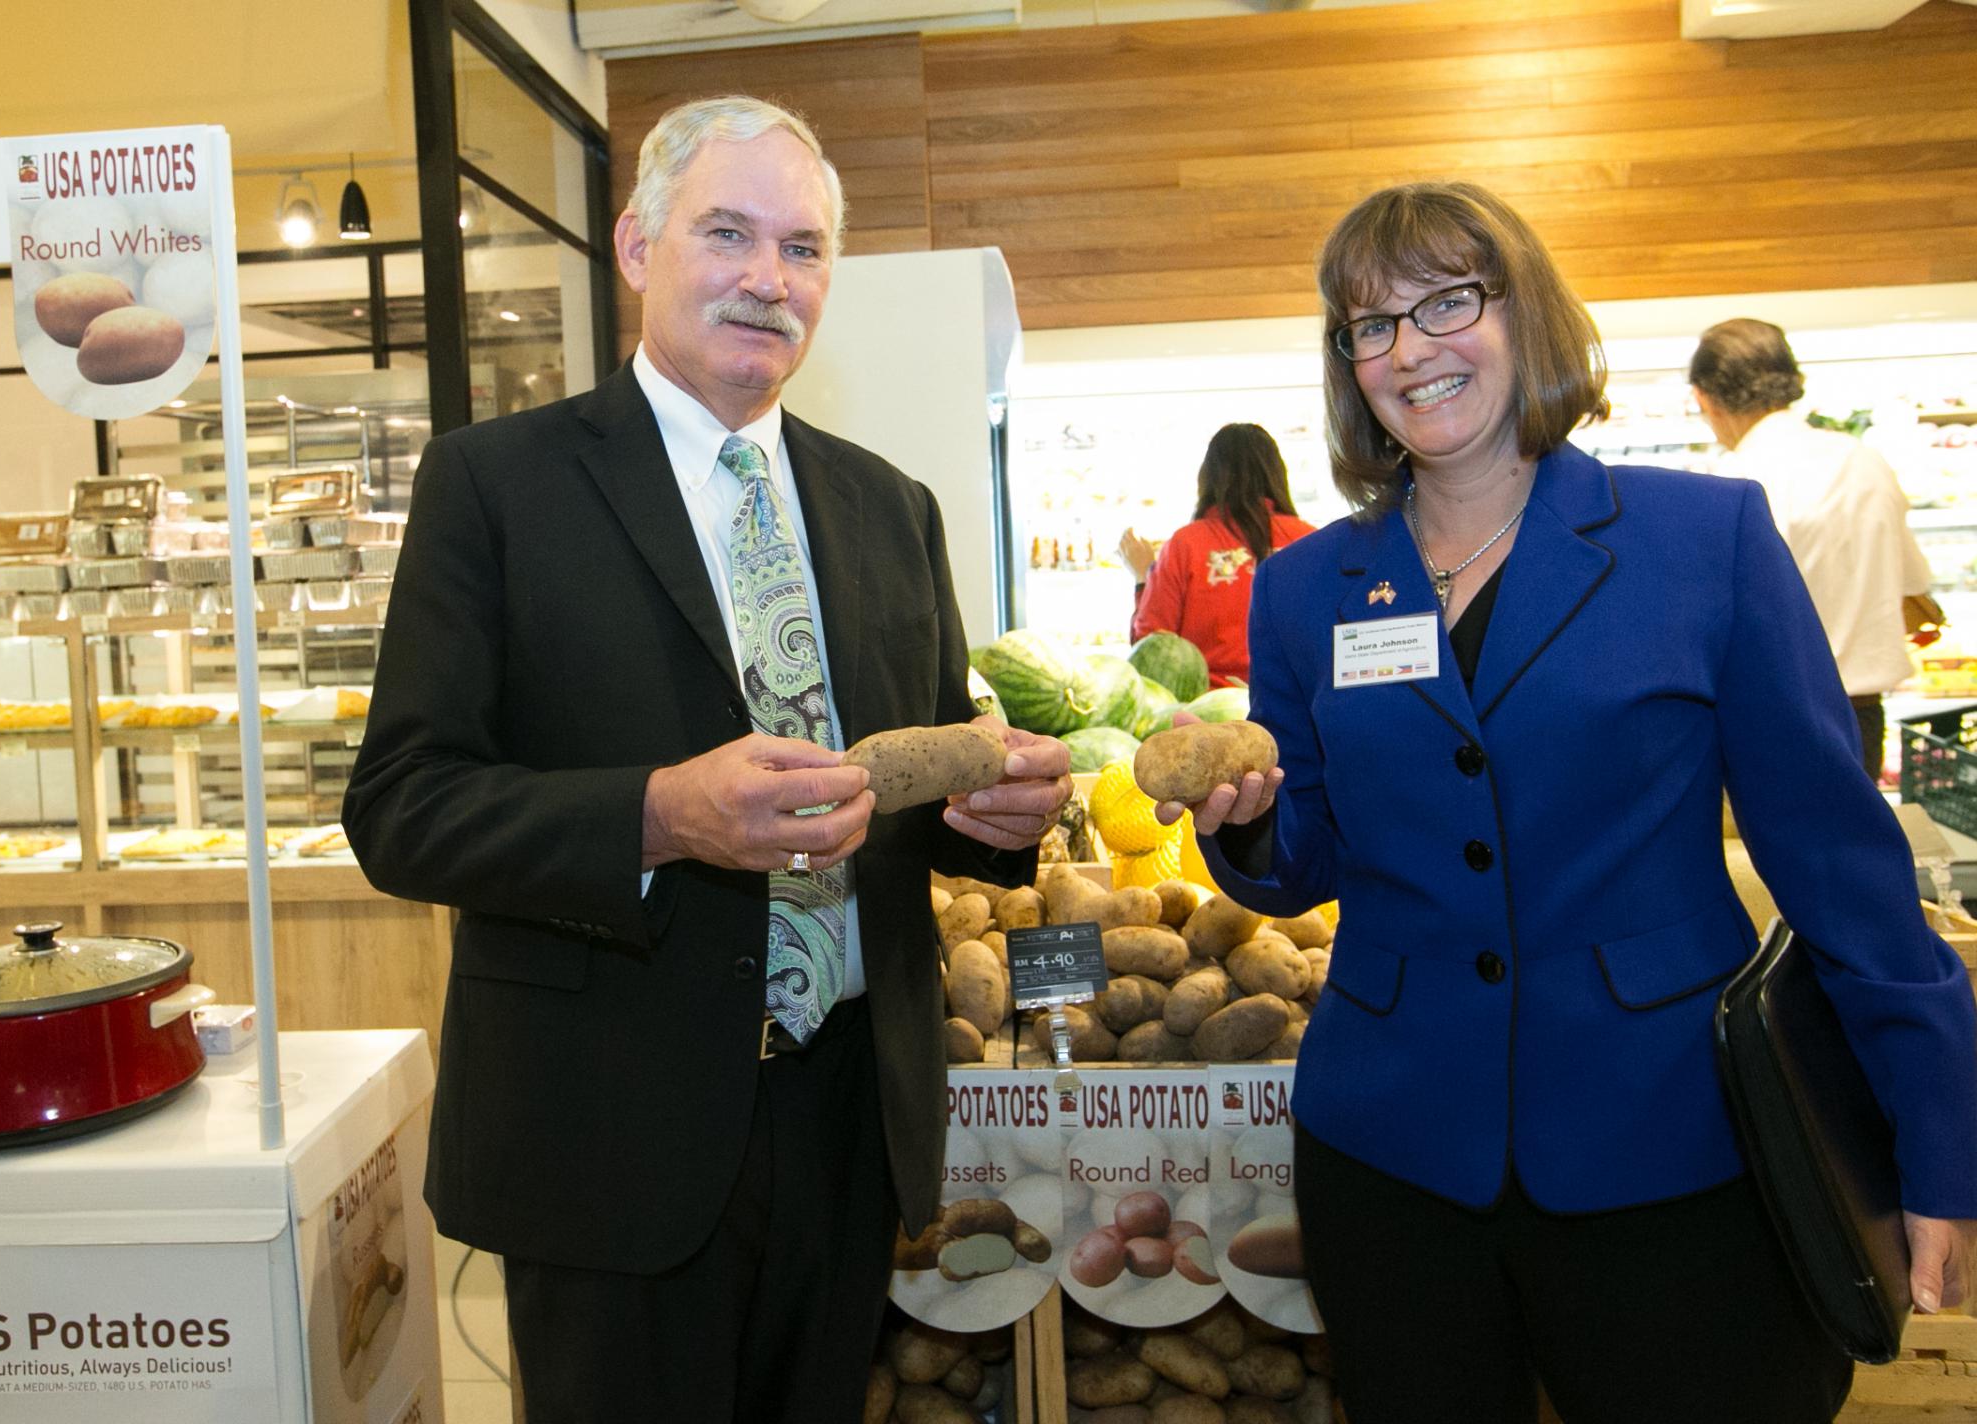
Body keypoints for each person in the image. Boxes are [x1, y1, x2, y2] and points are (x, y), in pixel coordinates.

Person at [1168, 181, 1976, 1424]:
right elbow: (1305, 858)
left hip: (1668, 1140)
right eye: (1367, 325)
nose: (1409, 349)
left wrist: (1940, 1139)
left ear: (1524, 314)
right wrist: (1245, 818)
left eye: (1446, 302)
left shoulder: (1701, 539)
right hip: (1392, 1154)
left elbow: (1838, 865)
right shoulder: (1307, 587)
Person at [342, 96, 1070, 1424]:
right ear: (636, 249)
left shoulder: (889, 509)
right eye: (725, 233)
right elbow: (402, 807)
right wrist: (659, 817)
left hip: (847, 1111)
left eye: (801, 249)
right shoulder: (497, 488)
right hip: (608, 1128)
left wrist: (1001, 815)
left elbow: (918, 801)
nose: (767, 278)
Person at [1689, 317, 1935, 782]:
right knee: (1854, 849)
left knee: (1770, 851)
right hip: (1863, 714)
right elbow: (1913, 585)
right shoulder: (1864, 460)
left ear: (1705, 398)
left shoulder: (1731, 482)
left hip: (1773, 716)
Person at [1128, 423, 1315, 686]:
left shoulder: (1186, 543)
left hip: (1206, 711)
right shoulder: (1309, 539)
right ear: (1276, 475)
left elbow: (1152, 649)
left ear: (1208, 476)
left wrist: (1142, 579)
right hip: (1293, 707)